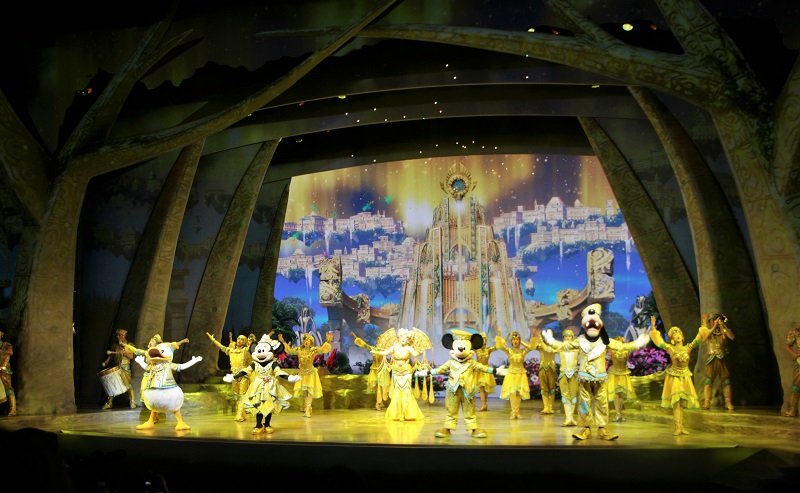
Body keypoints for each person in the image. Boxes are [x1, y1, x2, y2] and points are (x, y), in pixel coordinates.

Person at [541, 303, 650, 440]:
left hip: (600, 378)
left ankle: (602, 429)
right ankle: (585, 429)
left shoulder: (605, 341)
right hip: (584, 379)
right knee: (584, 404)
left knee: (602, 404)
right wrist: (551, 341)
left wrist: (638, 343)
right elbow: (564, 346)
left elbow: (622, 347)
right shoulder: (580, 341)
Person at [650, 316, 711, 435]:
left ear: (682, 337)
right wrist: (653, 326)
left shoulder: (688, 348)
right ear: (672, 339)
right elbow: (659, 342)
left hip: (685, 376)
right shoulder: (670, 348)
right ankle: (677, 426)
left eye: (679, 333)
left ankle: (681, 425)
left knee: (682, 402)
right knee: (677, 401)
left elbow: (699, 338)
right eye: (674, 334)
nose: (677, 335)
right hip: (674, 377)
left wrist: (704, 323)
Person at [372, 327, 430, 422]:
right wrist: (376, 352)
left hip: (406, 372)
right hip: (397, 372)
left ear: (408, 339)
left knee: (406, 391)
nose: (403, 339)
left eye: (406, 337)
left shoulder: (409, 348)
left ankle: (407, 414)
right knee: (397, 392)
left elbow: (415, 354)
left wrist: (420, 351)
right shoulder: (395, 347)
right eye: (402, 337)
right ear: (399, 337)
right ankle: (398, 414)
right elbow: (386, 352)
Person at [279, 331, 333, 418]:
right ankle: (307, 407)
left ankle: (307, 409)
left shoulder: (313, 350)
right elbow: (289, 351)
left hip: (310, 373)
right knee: (305, 392)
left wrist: (328, 340)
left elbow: (323, 349)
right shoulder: (299, 350)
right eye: (304, 340)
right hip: (302, 373)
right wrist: (283, 341)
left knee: (309, 391)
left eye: (308, 340)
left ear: (311, 342)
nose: (306, 342)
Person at [207, 332, 252, 421]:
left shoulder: (246, 350)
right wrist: (213, 340)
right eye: (238, 339)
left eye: (242, 339)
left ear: (245, 342)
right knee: (236, 395)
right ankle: (242, 413)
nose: (239, 340)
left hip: (243, 375)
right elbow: (221, 347)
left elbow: (253, 350)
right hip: (234, 376)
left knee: (242, 394)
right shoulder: (231, 351)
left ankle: (239, 414)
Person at [495, 330, 535, 419]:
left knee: (518, 393)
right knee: (513, 393)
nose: (515, 341)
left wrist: (522, 342)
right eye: (514, 340)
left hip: (520, 374)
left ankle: (517, 411)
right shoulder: (509, 351)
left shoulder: (523, 351)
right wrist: (500, 335)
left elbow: (531, 347)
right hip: (511, 374)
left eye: (517, 339)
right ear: (511, 341)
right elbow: (500, 346)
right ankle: (513, 412)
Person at [701, 313, 735, 410]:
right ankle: (706, 402)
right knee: (708, 380)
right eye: (712, 320)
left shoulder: (723, 330)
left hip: (723, 357)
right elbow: (705, 337)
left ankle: (728, 402)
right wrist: (714, 327)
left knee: (726, 380)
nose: (714, 321)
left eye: (716, 319)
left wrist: (722, 325)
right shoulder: (708, 331)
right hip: (712, 358)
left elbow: (732, 337)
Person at [100, 329, 138, 410]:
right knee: (112, 385)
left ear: (124, 336)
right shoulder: (116, 345)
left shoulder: (129, 345)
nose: (119, 337)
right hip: (117, 367)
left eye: (121, 335)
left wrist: (124, 352)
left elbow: (131, 356)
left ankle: (132, 401)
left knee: (128, 385)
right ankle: (109, 403)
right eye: (118, 335)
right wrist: (107, 361)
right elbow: (112, 354)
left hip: (125, 368)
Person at [352, 332, 391, 411]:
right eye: (378, 340)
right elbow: (365, 345)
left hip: (382, 369)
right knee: (377, 387)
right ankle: (378, 402)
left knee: (382, 386)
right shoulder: (373, 348)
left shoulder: (385, 350)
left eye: (381, 340)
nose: (379, 342)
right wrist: (358, 340)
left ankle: (380, 402)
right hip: (375, 369)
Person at [606, 335, 637, 422]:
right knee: (616, 394)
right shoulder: (611, 350)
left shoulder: (626, 350)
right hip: (614, 374)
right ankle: (617, 413)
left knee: (621, 395)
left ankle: (620, 413)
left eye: (621, 342)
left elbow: (635, 346)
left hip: (624, 373)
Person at [530, 327, 557, 415]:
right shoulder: (541, 344)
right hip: (542, 368)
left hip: (551, 368)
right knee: (543, 388)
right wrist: (534, 336)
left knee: (551, 388)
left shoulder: (554, 345)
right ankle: (546, 407)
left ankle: (550, 407)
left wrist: (540, 338)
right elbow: (532, 347)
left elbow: (547, 349)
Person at [556, 328, 579, 426]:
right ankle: (568, 418)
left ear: (572, 338)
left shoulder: (577, 349)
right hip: (563, 374)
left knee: (573, 396)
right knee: (565, 396)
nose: (567, 338)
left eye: (569, 336)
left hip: (574, 374)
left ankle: (571, 418)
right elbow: (549, 348)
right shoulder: (560, 348)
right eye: (565, 336)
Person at [474, 332, 497, 411]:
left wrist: (499, 336)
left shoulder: (488, 349)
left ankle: (484, 404)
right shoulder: (476, 350)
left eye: (484, 339)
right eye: (482, 339)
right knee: (481, 387)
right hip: (479, 371)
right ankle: (483, 404)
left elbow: (497, 347)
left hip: (487, 370)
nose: (483, 340)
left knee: (486, 388)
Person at [783, 325, 800, 417]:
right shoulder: (795, 332)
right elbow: (787, 346)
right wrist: (795, 354)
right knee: (796, 387)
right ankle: (793, 409)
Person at [0, 330, 16, 416]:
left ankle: (13, 409)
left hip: (4, 371)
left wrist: (3, 366)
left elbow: (9, 354)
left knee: (8, 389)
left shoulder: (5, 345)